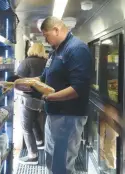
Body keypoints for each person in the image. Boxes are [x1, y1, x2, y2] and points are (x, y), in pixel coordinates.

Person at [37, 16, 92, 173]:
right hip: (54, 114)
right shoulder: (55, 53)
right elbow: (43, 78)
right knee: (52, 159)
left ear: (56, 30)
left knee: (62, 164)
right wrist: (26, 83)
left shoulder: (76, 49)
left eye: (46, 35)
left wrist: (49, 97)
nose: (46, 40)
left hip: (68, 116)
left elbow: (78, 88)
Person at [13, 42, 47, 165]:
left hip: (28, 99)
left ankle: (32, 156)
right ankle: (40, 142)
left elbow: (18, 80)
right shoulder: (46, 63)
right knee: (34, 122)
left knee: (26, 128)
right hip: (43, 99)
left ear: (31, 49)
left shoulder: (27, 62)